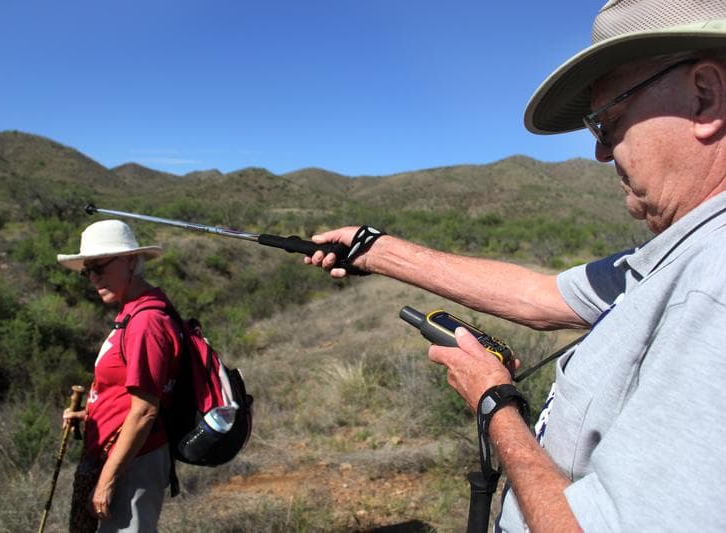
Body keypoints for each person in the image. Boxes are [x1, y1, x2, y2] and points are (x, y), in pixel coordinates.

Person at [305, 1, 726, 531]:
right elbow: (540, 297)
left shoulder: (715, 285)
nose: (600, 153)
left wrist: (495, 404)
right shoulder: (683, 251)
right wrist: (375, 250)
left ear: (704, 98)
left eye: (607, 121)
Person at [57, 219, 183, 532]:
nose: (93, 278)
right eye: (88, 271)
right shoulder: (131, 311)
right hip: (124, 456)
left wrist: (106, 481)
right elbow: (129, 394)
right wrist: (92, 414)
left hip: (134, 461)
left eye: (99, 267)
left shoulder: (145, 322)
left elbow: (145, 411)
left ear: (129, 261)